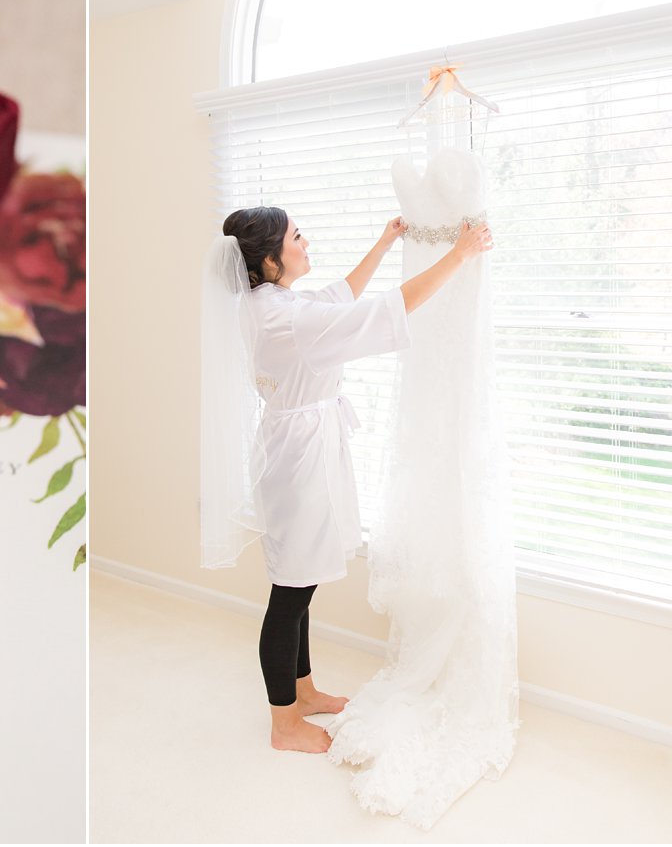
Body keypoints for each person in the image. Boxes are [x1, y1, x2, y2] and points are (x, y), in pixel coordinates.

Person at [205, 205, 492, 753]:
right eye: (296, 236)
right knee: (290, 593)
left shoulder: (269, 302)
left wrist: (384, 244)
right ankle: (283, 723)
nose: (305, 241)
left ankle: (303, 690)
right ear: (270, 259)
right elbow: (392, 309)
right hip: (300, 459)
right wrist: (460, 253)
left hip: (297, 446)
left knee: (300, 580)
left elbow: (339, 298)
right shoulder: (286, 317)